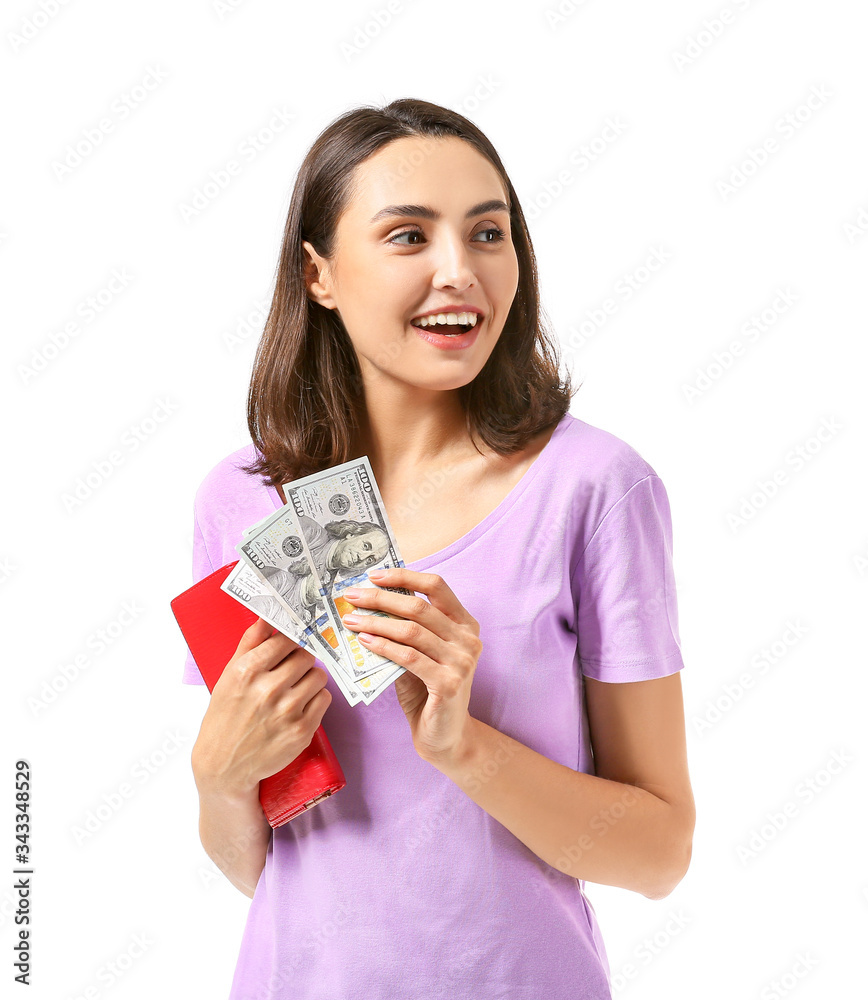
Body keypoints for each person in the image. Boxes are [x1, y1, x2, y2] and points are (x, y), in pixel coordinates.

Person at [181, 97, 696, 1000]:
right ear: (319, 275)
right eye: (409, 237)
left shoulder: (597, 488)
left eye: (487, 233)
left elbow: (659, 856)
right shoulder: (245, 501)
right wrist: (218, 780)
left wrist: (463, 747)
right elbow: (264, 868)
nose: (460, 271)